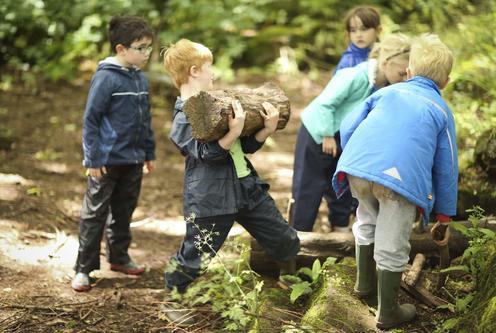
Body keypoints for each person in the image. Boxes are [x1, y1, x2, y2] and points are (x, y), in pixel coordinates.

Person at [160, 39, 300, 325]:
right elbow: (204, 154)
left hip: (246, 186)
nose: (214, 74)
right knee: (197, 252)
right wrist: (232, 132)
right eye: (210, 68)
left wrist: (265, 130)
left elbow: (244, 146)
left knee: (283, 236)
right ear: (195, 70)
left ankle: (291, 277)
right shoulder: (183, 116)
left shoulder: (217, 102)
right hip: (211, 197)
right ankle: (172, 298)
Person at [333, 34, 457, 329]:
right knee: (392, 242)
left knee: (366, 218)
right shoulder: (441, 110)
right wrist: (444, 215)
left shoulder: (385, 93)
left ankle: (364, 287)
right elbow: (447, 167)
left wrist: (354, 160)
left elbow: (349, 124)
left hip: (359, 168)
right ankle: (387, 312)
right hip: (399, 181)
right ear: (445, 82)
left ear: (409, 72)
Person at [291, 33, 411, 233]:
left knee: (340, 186)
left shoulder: (385, 86)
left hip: (341, 139)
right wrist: (327, 135)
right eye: (401, 74)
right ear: (385, 63)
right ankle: (299, 235)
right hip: (319, 133)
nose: (404, 79)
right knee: (309, 187)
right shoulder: (355, 75)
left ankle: (339, 233)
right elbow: (325, 104)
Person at [71, 15, 156, 292]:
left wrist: (148, 152)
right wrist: (93, 158)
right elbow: (91, 120)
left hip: (133, 159)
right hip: (106, 161)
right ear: (121, 49)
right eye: (140, 47)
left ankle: (119, 257)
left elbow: (146, 119)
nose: (147, 53)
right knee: (95, 213)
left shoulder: (141, 79)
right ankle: (83, 268)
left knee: (124, 211)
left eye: (149, 47)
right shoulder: (106, 78)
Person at [333, 5, 382, 75]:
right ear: (348, 33)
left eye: (364, 29)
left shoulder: (385, 55)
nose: (358, 35)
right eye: (353, 30)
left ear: (378, 30)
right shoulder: (348, 61)